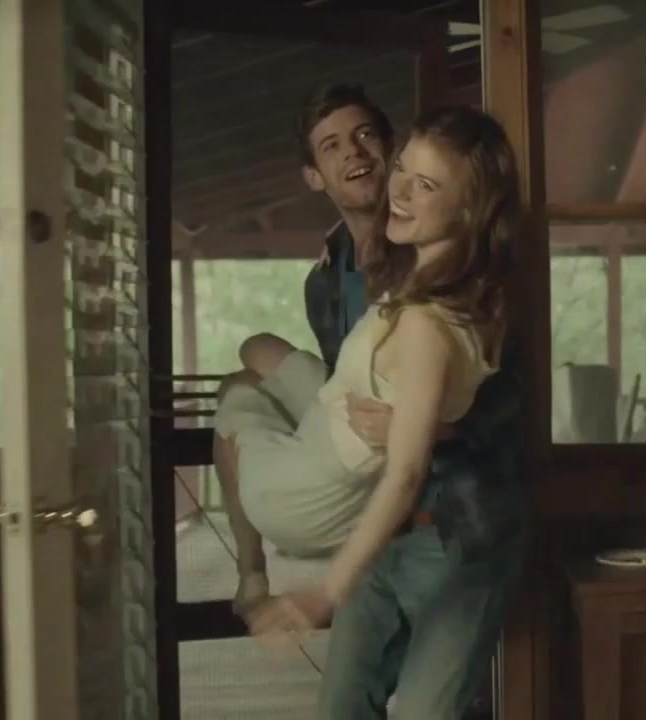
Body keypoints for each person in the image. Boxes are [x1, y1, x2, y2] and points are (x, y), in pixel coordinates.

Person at [213, 83, 528, 719]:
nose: (399, 189)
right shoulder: (360, 278)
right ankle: (252, 565)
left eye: (425, 184)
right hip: (379, 529)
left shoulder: (437, 314)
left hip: (454, 528)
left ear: (468, 208)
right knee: (343, 708)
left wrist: (323, 593)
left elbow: (422, 459)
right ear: (314, 173)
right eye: (403, 170)